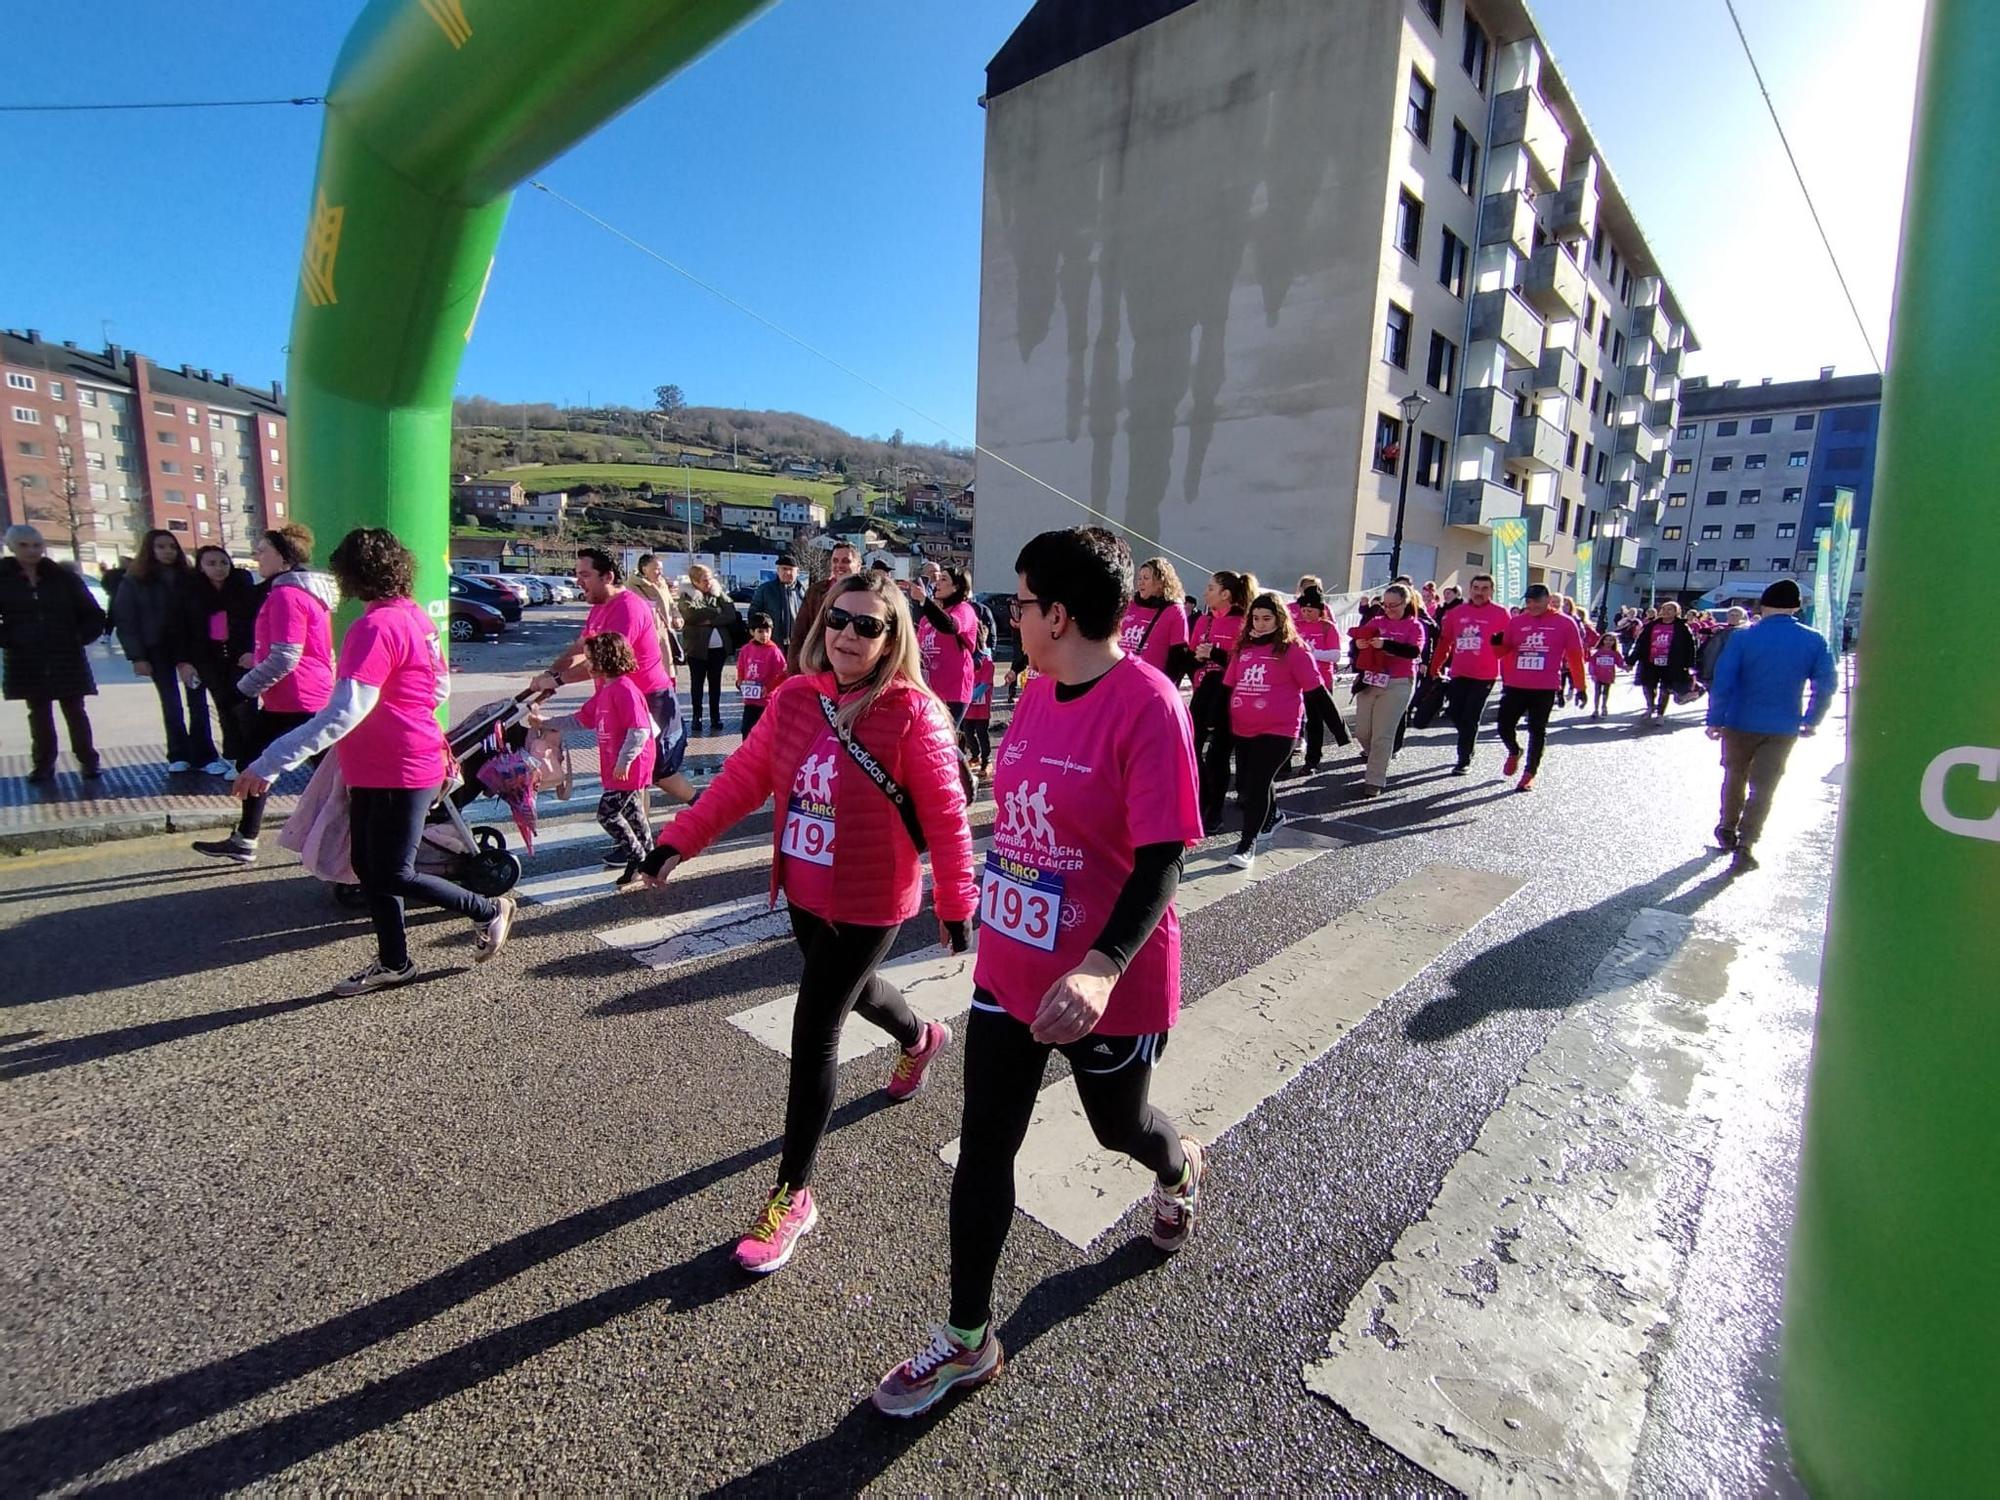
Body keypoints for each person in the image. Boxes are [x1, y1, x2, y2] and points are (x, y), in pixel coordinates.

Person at [874, 527, 1205, 1419]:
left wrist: (1100, 968)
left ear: (1057, 614)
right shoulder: (1035, 689)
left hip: (1109, 983)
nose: (1009, 615)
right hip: (1013, 972)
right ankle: (967, 1339)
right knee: (984, 1148)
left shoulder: (1148, 703)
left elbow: (1164, 857)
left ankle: (1177, 1172)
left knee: (1120, 1130)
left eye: (1019, 602)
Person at [641, 571, 977, 1273]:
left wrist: (956, 904)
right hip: (803, 888)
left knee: (815, 1027)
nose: (848, 635)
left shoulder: (914, 712)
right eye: (838, 620)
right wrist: (679, 842)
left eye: (867, 626)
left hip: (870, 895)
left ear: (893, 640)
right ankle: (922, 1036)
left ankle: (793, 1193)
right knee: (856, 992)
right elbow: (743, 778)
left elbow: (947, 818)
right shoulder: (796, 697)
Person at [235, 529, 516, 995]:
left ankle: (488, 909)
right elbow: (438, 689)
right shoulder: (413, 617)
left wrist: (268, 763)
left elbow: (343, 712)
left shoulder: (375, 626)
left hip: (398, 769)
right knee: (368, 867)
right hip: (386, 764)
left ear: (351, 574)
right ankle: (395, 962)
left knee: (391, 872)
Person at [532, 549, 697, 849]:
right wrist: (550, 674)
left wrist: (556, 680)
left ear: (607, 576)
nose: (578, 581)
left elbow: (603, 661)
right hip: (615, 699)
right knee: (639, 774)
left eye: (585, 575)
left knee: (654, 771)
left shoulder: (628, 608)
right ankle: (639, 842)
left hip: (648, 699)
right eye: (578, 574)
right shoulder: (598, 607)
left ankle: (699, 810)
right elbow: (580, 649)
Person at [192, 524, 337, 864]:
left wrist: (241, 689)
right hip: (302, 695)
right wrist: (258, 661)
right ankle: (248, 837)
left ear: (284, 557)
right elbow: (305, 651)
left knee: (259, 765)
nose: (256, 556)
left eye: (263, 550)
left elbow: (287, 656)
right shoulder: (302, 591)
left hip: (294, 698)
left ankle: (251, 838)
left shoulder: (287, 594)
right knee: (322, 772)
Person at [1706, 580, 1836, 869]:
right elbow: (1826, 684)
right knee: (1765, 786)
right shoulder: (1814, 640)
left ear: (1762, 605)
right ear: (1797, 607)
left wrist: (1715, 719)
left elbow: (1723, 679)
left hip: (1739, 721)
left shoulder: (1742, 637)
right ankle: (1747, 841)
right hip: (1783, 724)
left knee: (1734, 775)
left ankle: (1727, 825)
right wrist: (1812, 719)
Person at [530, 632, 657, 890]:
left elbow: (640, 730)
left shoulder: (624, 689)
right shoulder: (607, 690)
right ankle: (649, 856)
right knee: (632, 811)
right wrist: (546, 723)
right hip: (617, 764)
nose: (587, 664)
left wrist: (624, 762)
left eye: (590, 659)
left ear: (606, 659)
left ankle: (637, 858)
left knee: (608, 814)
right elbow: (581, 719)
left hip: (629, 765)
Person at [1221, 592, 1339, 869]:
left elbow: (1316, 691)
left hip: (1280, 729)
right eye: (1256, 618)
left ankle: (1247, 843)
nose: (1260, 624)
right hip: (1244, 727)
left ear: (1279, 619)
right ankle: (1273, 816)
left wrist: (1340, 730)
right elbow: (1228, 685)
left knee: (1258, 782)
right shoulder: (1243, 648)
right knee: (1252, 780)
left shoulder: (1293, 649)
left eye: (1267, 618)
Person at [0, 523, 105, 782]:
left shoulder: (63, 577)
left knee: (75, 710)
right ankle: (44, 763)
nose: (32, 551)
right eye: (24, 545)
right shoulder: (4, 578)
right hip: (26, 656)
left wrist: (78, 637)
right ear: (11, 547)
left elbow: (92, 613)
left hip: (65, 653)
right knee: (38, 712)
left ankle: (88, 760)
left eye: (37, 545)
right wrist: (11, 638)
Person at [115, 528, 222, 774]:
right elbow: (126, 619)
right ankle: (178, 752)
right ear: (149, 550)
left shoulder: (190, 578)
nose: (168, 552)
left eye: (172, 546)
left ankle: (204, 754)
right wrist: (137, 656)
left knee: (198, 701)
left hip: (191, 648)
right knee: (170, 702)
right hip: (157, 648)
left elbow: (211, 611)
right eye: (161, 546)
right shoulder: (135, 581)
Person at [1491, 585, 1588, 792]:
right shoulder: (1517, 622)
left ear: (1548, 600)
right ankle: (1515, 750)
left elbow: (1575, 656)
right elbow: (1502, 652)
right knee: (1503, 726)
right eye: (1529, 602)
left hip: (1544, 687)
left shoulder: (1565, 623)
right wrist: (1496, 643)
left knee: (1537, 729)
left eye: (1537, 601)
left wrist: (1580, 687)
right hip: (1515, 684)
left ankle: (1529, 773)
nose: (1532, 605)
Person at [184, 546, 263, 772]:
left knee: (245, 708)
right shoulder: (192, 591)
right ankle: (232, 756)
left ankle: (251, 758)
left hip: (241, 657)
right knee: (224, 707)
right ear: (200, 566)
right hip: (210, 659)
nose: (219, 568)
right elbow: (183, 628)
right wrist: (186, 661)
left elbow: (256, 624)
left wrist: (252, 651)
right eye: (211, 563)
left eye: (223, 562)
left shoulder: (243, 587)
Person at [1427, 573, 1511, 775]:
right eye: (1476, 588)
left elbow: (1509, 647)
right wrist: (1434, 668)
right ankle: (1466, 745)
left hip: (1485, 675)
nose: (1480, 592)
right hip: (1460, 672)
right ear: (1470, 589)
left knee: (1471, 716)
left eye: (1485, 589)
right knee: (1455, 713)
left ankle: (1463, 758)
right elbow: (1445, 642)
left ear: (1492, 591)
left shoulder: (1501, 613)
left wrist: (1510, 678)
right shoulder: (1457, 613)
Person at [1346, 583, 1425, 797]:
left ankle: (1375, 778)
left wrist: (1387, 644)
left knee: (1383, 734)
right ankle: (1377, 758)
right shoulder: (1377, 620)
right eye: (1385, 605)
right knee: (1363, 731)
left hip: (1397, 682)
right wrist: (1360, 645)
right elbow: (1357, 641)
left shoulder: (1414, 626)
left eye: (1393, 605)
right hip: (1371, 680)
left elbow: (1413, 651)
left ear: (1405, 603)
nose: (1388, 609)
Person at [1190, 569, 1252, 832]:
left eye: (1211, 589)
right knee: (1191, 747)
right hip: (1202, 691)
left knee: (1218, 755)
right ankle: (1202, 798)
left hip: (1228, 694)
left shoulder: (1243, 623)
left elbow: (1244, 663)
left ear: (1226, 594)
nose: (1206, 593)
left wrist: (1215, 653)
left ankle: (1215, 809)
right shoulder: (1204, 620)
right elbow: (1192, 653)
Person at [1289, 587, 1349, 773]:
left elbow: (1335, 655)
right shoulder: (1296, 626)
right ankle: (1285, 761)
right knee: (1294, 720)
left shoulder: (1327, 627)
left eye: (1310, 611)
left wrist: (1312, 654)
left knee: (1315, 722)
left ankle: (1313, 760)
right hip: (1297, 681)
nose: (1306, 614)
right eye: (1304, 610)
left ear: (1320, 610)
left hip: (1320, 680)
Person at [677, 562, 741, 733]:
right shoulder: (687, 595)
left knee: (715, 684)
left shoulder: (719, 593)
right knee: (696, 684)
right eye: (704, 580)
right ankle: (697, 716)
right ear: (695, 581)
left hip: (718, 648)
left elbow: (730, 613)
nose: (709, 583)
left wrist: (710, 620)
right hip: (697, 649)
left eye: (710, 579)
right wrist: (715, 611)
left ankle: (715, 716)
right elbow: (691, 614)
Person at [914, 565, 980, 726]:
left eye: (944, 579)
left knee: (943, 740)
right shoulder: (925, 619)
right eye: (938, 578)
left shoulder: (964, 609)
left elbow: (950, 626)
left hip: (953, 691)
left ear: (957, 587)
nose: (938, 582)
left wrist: (924, 601)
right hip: (929, 691)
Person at [786, 541, 860, 669]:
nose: (839, 565)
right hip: (818, 665)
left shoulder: (867, 595)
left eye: (846, 561)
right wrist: (794, 670)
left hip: (852, 665)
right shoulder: (815, 592)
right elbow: (799, 634)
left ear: (858, 566)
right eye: (835, 561)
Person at [1118, 556, 1191, 680]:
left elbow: (1178, 656)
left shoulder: (1173, 610)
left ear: (1160, 583)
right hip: (1120, 677)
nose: (1140, 582)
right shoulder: (1130, 604)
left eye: (1146, 578)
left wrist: (1164, 685)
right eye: (1139, 578)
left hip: (1149, 681)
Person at [1634, 600, 1698, 724]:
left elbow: (1690, 647)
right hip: (1651, 662)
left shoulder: (1682, 627)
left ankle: (1660, 714)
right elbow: (1641, 644)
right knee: (1648, 686)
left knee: (1666, 689)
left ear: (1676, 612)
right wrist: (1631, 660)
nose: (1666, 612)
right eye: (1664, 609)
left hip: (1672, 664)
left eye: (1670, 609)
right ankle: (1650, 707)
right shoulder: (1652, 625)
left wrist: (1690, 665)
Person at [734, 610, 788, 740]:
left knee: (766, 731)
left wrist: (769, 688)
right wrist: (740, 681)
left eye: (767, 631)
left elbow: (783, 673)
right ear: (752, 632)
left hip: (766, 701)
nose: (764, 635)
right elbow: (741, 668)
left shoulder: (774, 651)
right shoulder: (746, 650)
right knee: (747, 730)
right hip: (750, 700)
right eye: (760, 631)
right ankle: (747, 754)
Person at [628, 554, 682, 672]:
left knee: (668, 673)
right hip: (647, 638)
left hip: (665, 634)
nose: (660, 573)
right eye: (656, 569)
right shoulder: (632, 587)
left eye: (661, 569)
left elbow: (672, 605)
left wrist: (677, 617)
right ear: (644, 569)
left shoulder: (662, 584)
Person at [749, 554, 808, 646]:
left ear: (797, 572)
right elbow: (753, 615)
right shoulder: (765, 590)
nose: (787, 572)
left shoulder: (803, 592)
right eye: (784, 569)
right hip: (771, 644)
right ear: (778, 570)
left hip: (796, 645)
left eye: (791, 569)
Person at [962, 625, 996, 779]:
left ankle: (986, 759)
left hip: (981, 708)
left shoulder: (987, 662)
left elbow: (984, 684)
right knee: (968, 733)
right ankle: (975, 755)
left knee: (982, 733)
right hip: (968, 709)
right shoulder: (966, 659)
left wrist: (968, 695)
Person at [1696, 605, 1748, 689]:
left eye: (1737, 615)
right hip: (1716, 664)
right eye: (1731, 614)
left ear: (1742, 617)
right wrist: (1712, 630)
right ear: (1727, 616)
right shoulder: (1722, 627)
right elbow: (1701, 630)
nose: (1734, 617)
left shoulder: (1747, 629)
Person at [1586, 625, 1626, 719]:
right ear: (1602, 640)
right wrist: (1592, 674)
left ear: (1614, 642)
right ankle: (1596, 709)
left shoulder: (1615, 653)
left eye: (1611, 640)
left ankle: (1604, 706)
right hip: (1598, 675)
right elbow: (1592, 663)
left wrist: (1626, 667)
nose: (1608, 642)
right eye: (1606, 640)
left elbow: (1619, 663)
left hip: (1609, 675)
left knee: (1605, 692)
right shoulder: (1597, 652)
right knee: (1597, 692)